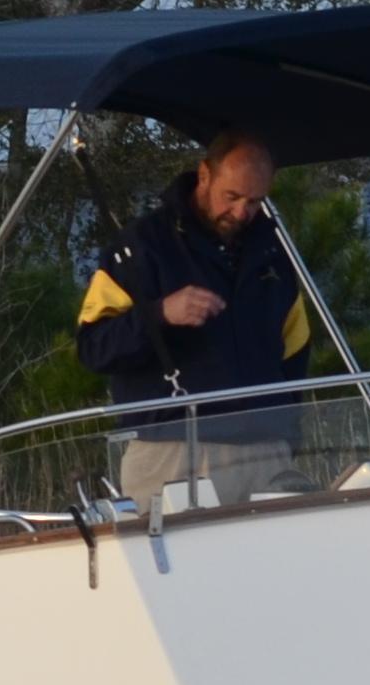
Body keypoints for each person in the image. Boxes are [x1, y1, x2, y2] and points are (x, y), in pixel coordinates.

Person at [76, 128, 316, 504]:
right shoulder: (141, 246)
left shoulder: (273, 251)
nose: (241, 212)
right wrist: (160, 314)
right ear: (204, 175)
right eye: (232, 196)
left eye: (255, 201)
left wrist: (285, 431)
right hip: (174, 454)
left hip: (266, 455)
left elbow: (295, 351)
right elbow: (93, 347)